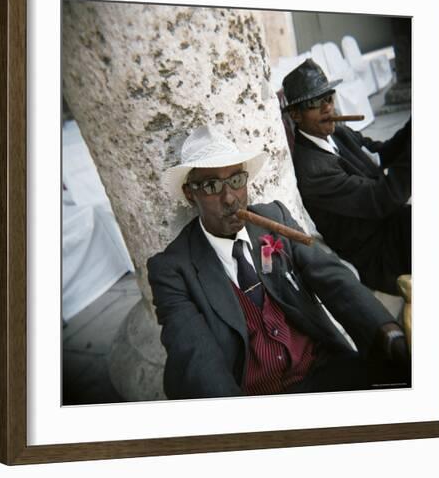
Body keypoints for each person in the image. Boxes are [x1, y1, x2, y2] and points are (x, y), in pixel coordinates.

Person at [147, 125, 409, 400]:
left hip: (323, 368)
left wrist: (387, 332)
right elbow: (193, 354)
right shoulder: (172, 270)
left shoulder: (275, 218)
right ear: (191, 194)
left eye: (236, 180)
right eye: (212, 186)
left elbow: (334, 277)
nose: (230, 198)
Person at [282, 58, 411, 294]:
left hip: (393, 225)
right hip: (378, 254)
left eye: (328, 97)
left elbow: (381, 154)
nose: (327, 108)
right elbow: (382, 198)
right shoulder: (313, 171)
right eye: (314, 102)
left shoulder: (338, 132)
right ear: (295, 115)